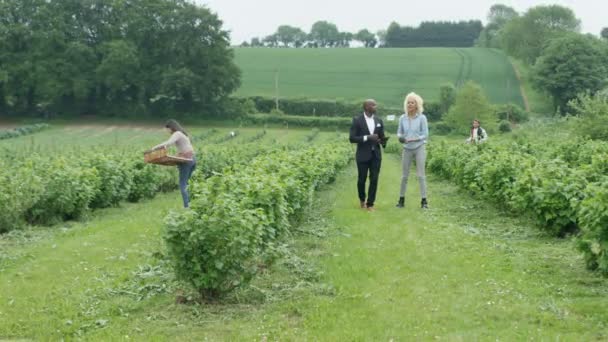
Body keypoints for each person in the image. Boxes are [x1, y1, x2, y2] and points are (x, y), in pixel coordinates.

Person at [349, 99, 388, 211]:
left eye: (376, 104)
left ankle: (370, 204)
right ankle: (362, 200)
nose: (376, 106)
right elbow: (352, 138)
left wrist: (383, 141)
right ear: (366, 107)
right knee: (362, 179)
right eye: (373, 105)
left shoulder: (379, 120)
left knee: (374, 179)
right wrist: (367, 137)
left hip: (376, 155)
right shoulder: (357, 120)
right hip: (362, 155)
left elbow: (381, 136)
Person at [151, 119, 196, 208]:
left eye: (167, 129)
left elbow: (169, 143)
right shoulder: (183, 134)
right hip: (193, 159)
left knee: (183, 184)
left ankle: (187, 207)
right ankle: (191, 204)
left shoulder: (177, 133)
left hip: (186, 160)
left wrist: (155, 147)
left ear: (171, 127)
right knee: (187, 184)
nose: (167, 131)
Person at [396, 92, 429, 209]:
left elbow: (425, 134)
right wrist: (401, 138)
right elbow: (399, 132)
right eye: (408, 102)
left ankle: (424, 201)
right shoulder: (402, 118)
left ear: (417, 105)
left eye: (412, 102)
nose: (410, 104)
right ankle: (401, 200)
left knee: (421, 175)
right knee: (404, 175)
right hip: (407, 148)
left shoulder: (422, 118)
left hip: (419, 147)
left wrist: (417, 138)